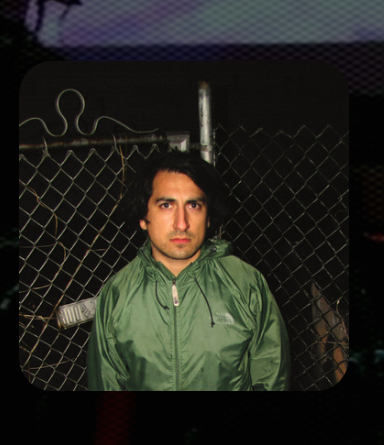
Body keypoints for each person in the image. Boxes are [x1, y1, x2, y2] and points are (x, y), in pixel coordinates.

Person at [87, 152, 290, 391]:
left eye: (193, 205)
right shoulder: (117, 294)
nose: (181, 223)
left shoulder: (246, 284)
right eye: (166, 205)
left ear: (208, 217)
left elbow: (271, 375)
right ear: (143, 216)